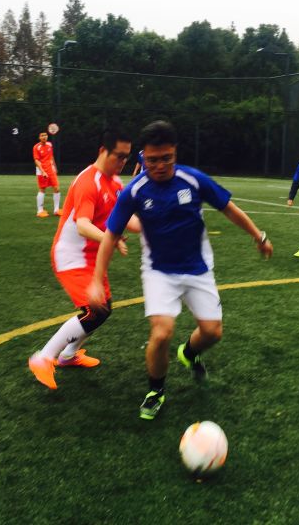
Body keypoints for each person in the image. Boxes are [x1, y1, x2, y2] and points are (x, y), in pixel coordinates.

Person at [88, 120, 273, 420]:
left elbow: (228, 208)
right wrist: (97, 280)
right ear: (143, 157)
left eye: (166, 158)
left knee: (212, 333)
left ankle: (188, 353)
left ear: (175, 152)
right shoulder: (134, 191)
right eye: (152, 160)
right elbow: (110, 236)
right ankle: (155, 391)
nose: (160, 166)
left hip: (198, 269)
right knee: (161, 333)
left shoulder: (193, 179)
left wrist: (259, 236)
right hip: (158, 272)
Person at [28, 130, 141, 390]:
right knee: (95, 311)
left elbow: (127, 219)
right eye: (118, 156)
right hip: (70, 256)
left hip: (92, 256)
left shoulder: (115, 183)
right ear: (103, 151)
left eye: (126, 157)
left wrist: (155, 227)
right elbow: (83, 225)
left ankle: (68, 356)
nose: (123, 162)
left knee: (103, 309)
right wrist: (112, 239)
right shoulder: (88, 181)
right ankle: (43, 358)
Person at [33, 131, 61, 218]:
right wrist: (43, 171)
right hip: (41, 170)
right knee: (42, 189)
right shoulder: (36, 147)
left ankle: (56, 210)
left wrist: (55, 167)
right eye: (42, 135)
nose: (44, 137)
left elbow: (51, 156)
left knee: (56, 188)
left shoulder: (50, 144)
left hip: (51, 169)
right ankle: (40, 211)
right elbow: (36, 160)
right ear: (39, 137)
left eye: (45, 135)